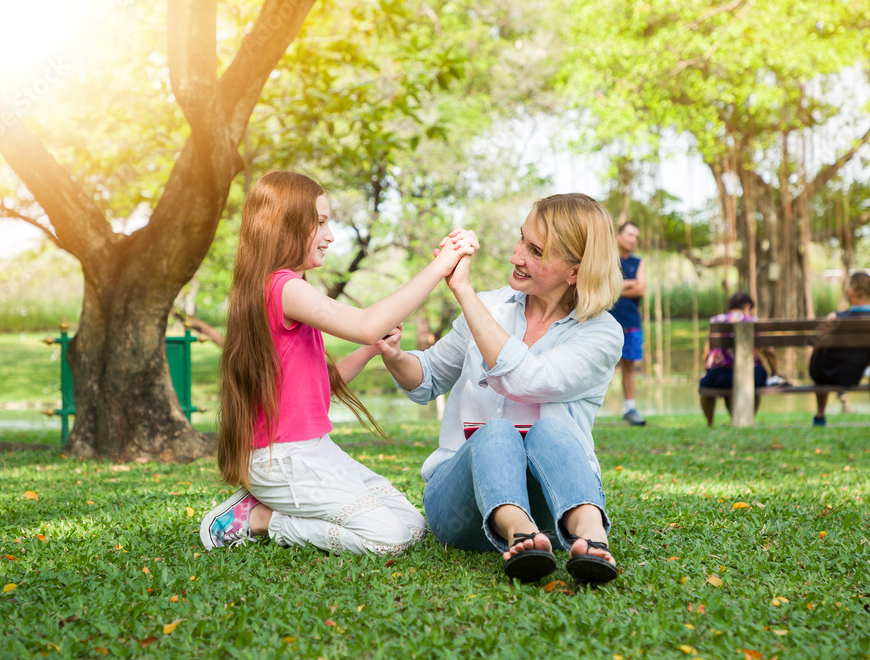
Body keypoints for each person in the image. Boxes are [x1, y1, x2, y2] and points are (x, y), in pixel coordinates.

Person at [200, 170, 478, 557]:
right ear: (284, 225)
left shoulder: (291, 288)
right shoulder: (282, 287)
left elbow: (323, 384)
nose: (330, 236)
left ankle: (271, 507)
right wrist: (441, 266)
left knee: (413, 528)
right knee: (389, 540)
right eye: (320, 222)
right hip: (283, 459)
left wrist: (372, 349)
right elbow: (365, 324)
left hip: (317, 450)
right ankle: (259, 519)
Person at [376, 193, 624, 585]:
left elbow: (526, 380)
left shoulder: (601, 333)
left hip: (552, 510)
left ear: (574, 272)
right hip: (460, 509)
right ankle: (517, 529)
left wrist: (465, 293)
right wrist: (393, 355)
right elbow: (425, 379)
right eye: (521, 239)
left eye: (535, 250)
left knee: (554, 431)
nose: (516, 256)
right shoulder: (490, 307)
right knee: (495, 432)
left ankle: (590, 532)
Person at [809, 272, 870, 427]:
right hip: (853, 375)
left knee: (817, 358)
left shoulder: (834, 318)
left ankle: (820, 415)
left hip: (824, 373)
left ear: (850, 292)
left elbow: (817, 347)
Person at [698, 292, 780, 427]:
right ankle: (744, 422)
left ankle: (710, 423)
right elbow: (769, 351)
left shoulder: (716, 321)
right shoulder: (752, 321)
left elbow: (707, 353)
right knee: (755, 385)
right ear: (747, 306)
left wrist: (707, 372)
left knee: (705, 384)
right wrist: (775, 372)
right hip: (751, 375)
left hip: (719, 376)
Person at [608, 222, 647, 426]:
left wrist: (616, 287)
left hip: (631, 322)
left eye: (636, 236)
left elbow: (641, 289)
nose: (633, 239)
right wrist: (629, 283)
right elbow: (603, 286)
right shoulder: (607, 260)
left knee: (629, 366)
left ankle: (630, 408)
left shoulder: (638, 262)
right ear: (618, 235)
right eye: (630, 234)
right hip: (606, 321)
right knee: (599, 364)